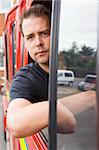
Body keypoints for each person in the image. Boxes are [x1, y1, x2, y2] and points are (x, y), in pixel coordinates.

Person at [7, 4, 96, 138]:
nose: (38, 43)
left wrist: (90, 98)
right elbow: (15, 124)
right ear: (25, 43)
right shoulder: (25, 78)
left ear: (56, 35)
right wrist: (55, 110)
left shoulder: (70, 65)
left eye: (44, 33)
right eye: (30, 37)